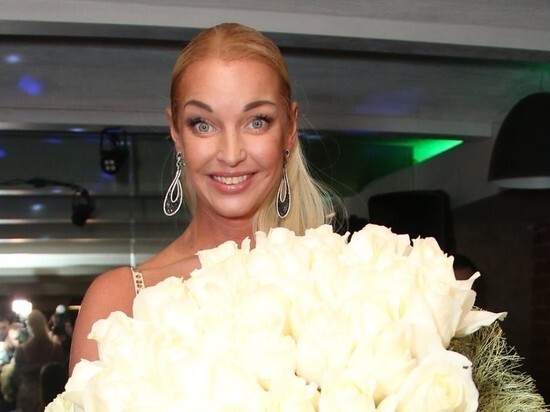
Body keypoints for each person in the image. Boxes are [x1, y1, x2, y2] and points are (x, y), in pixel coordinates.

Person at [70, 22, 344, 374]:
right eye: (203, 124)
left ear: (289, 128)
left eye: (256, 122)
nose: (230, 154)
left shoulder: (340, 279)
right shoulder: (119, 300)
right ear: (176, 131)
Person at [12, 310, 66, 412]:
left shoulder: (22, 350)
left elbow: (16, 376)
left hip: (28, 397)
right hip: (52, 395)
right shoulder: (56, 348)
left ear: (30, 327)